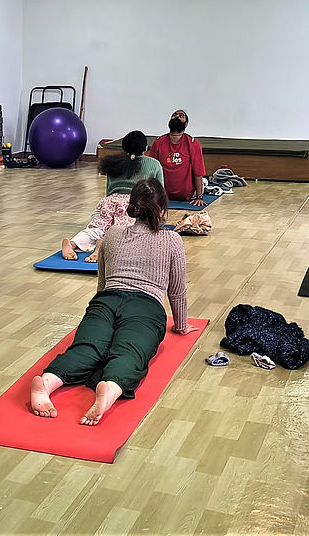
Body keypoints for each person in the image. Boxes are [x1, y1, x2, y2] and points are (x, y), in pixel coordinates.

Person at [31, 179, 195, 425]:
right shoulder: (171, 240)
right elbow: (177, 290)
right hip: (145, 308)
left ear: (131, 207)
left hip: (106, 301)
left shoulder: (112, 233)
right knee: (129, 352)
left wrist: (101, 307)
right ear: (162, 210)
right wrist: (181, 325)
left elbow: (103, 282)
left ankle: (47, 381)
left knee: (87, 348)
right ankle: (110, 386)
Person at [62, 130, 163, 261]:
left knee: (97, 227)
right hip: (133, 203)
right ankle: (102, 246)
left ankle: (72, 243)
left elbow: (109, 190)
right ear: (145, 148)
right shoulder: (154, 164)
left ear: (124, 147)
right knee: (124, 230)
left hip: (109, 201)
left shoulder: (114, 162)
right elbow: (159, 192)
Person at [149, 109, 206, 206]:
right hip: (163, 195)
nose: (177, 117)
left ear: (186, 124)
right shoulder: (158, 143)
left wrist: (199, 197)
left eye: (181, 116)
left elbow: (198, 172)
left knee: (203, 182)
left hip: (188, 195)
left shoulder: (193, 143)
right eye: (174, 115)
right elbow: (151, 170)